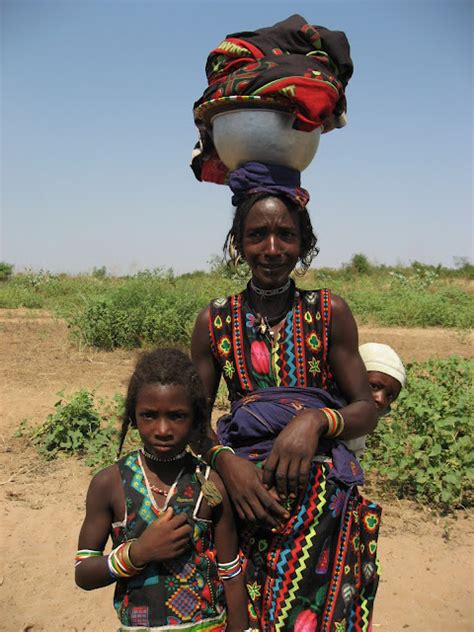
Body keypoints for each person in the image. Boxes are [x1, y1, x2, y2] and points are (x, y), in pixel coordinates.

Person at [191, 164, 382, 631]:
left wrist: (316, 422)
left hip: (321, 513)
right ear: (238, 244)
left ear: (304, 243)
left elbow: (365, 408)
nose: (272, 250)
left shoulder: (328, 312)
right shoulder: (213, 321)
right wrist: (225, 462)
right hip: (244, 504)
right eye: (257, 235)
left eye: (286, 235)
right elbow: (189, 421)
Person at [75, 348, 249, 632]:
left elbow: (230, 572)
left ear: (195, 418)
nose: (163, 429)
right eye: (149, 416)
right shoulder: (109, 484)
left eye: (178, 416)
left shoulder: (211, 482)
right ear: (132, 416)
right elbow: (84, 573)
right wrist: (138, 553)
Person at [344, 342, 406, 458]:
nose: (381, 400)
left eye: (389, 396)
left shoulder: (362, 424)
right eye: (374, 386)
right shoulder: (321, 409)